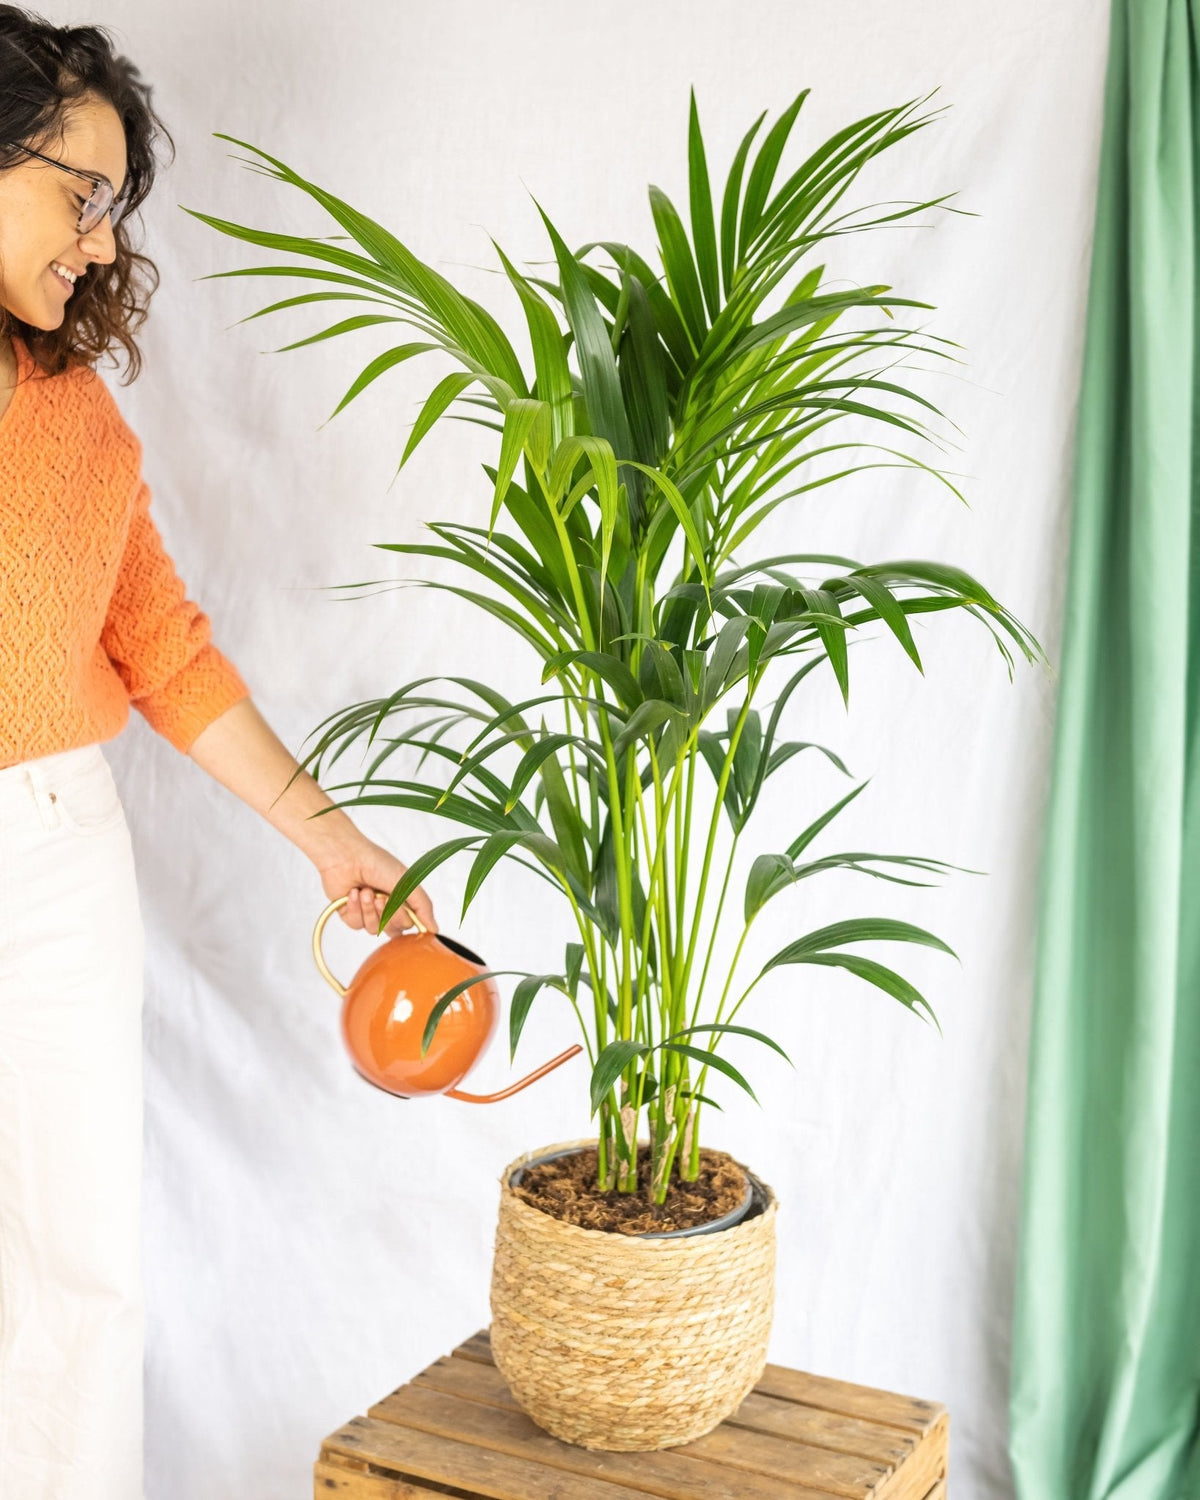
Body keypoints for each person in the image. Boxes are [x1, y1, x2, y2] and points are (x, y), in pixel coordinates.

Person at [0, 8, 437, 1497]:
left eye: (116, 211)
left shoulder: (79, 423)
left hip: (49, 856)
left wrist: (332, 837)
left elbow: (166, 650)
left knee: (79, 1284)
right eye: (84, 195)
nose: (104, 246)